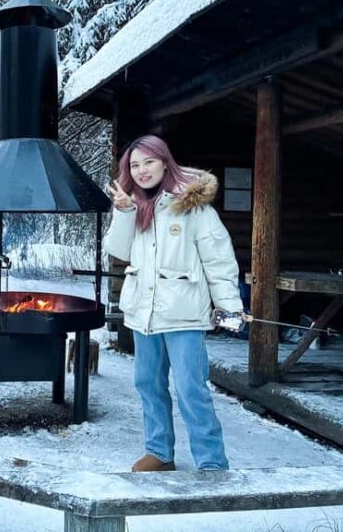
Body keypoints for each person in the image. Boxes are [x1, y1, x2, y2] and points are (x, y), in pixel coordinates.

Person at [104, 135, 242, 472]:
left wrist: (229, 307)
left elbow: (219, 260)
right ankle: (159, 452)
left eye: (148, 161)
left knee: (190, 389)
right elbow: (119, 251)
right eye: (134, 165)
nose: (141, 170)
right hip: (143, 313)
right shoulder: (131, 206)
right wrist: (123, 213)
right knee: (148, 384)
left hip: (184, 314)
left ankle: (212, 462)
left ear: (165, 161)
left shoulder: (193, 206)